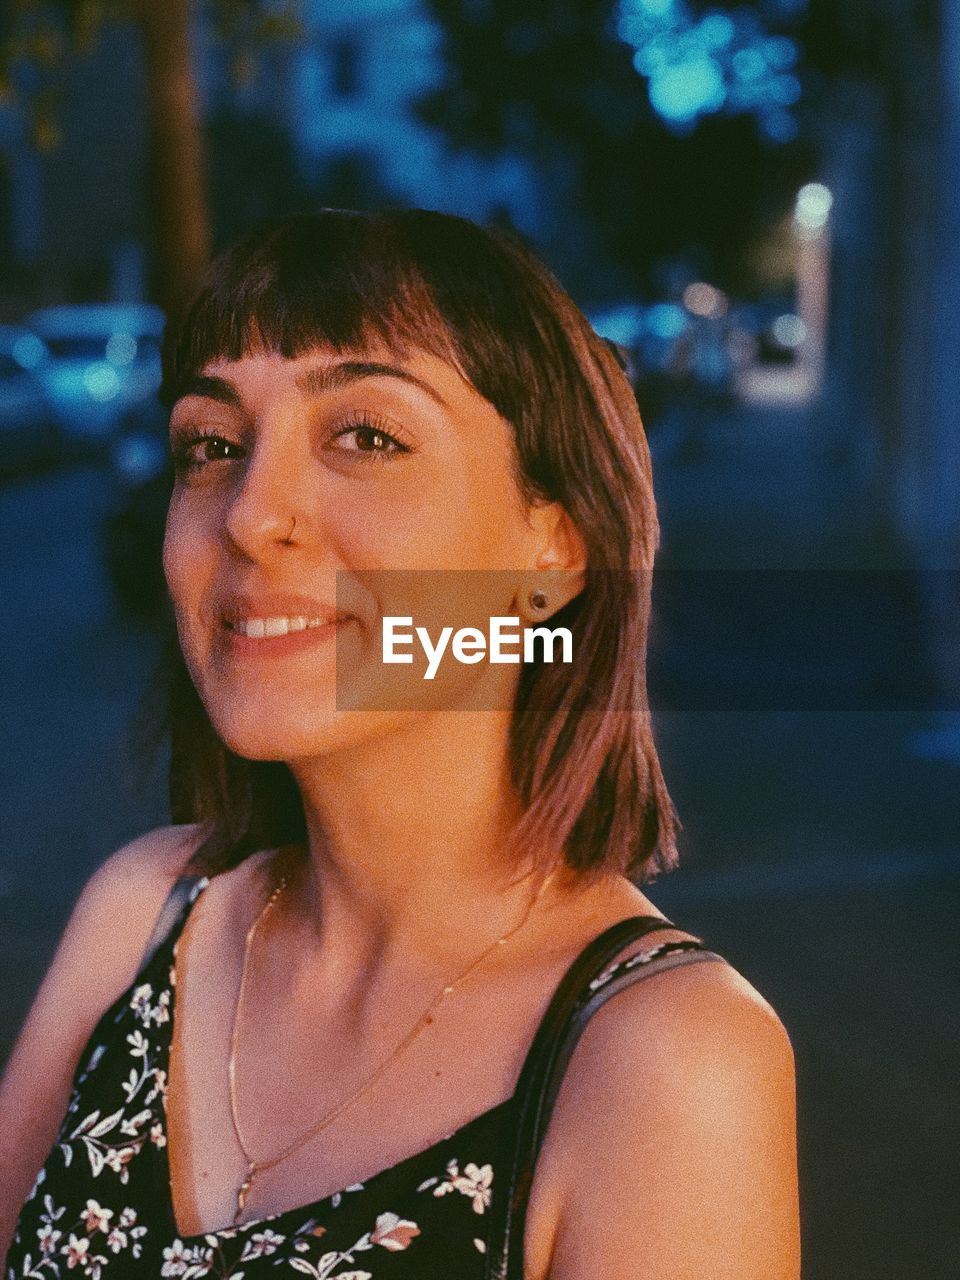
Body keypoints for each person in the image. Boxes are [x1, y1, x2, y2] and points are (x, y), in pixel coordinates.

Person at [0, 209, 799, 1278]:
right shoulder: (145, 913)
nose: (249, 512)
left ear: (552, 551)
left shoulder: (665, 1062)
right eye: (213, 443)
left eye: (365, 435)